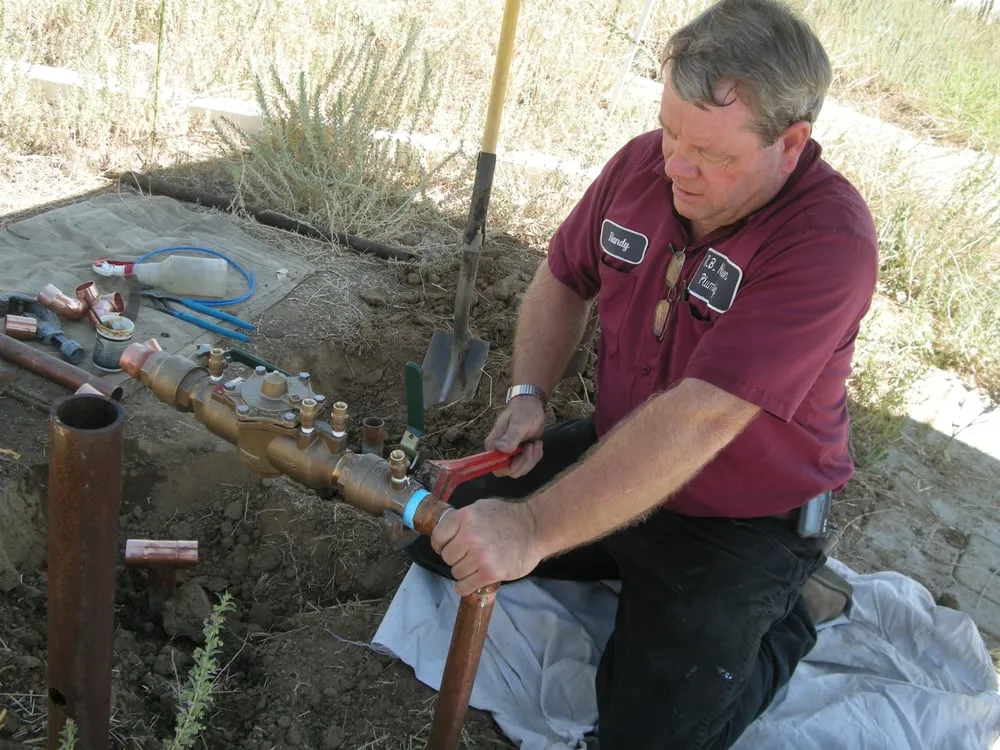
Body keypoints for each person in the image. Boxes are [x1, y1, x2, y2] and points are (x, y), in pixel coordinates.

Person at [407, 0, 878, 746]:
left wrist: (532, 527)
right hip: (622, 451)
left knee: (645, 737)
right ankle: (626, 562)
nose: (675, 167)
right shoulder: (640, 167)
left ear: (790, 144)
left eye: (713, 156)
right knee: (441, 536)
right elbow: (562, 279)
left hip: (738, 519)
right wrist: (530, 395)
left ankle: (789, 618)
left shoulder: (827, 242)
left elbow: (700, 417)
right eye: (669, 131)